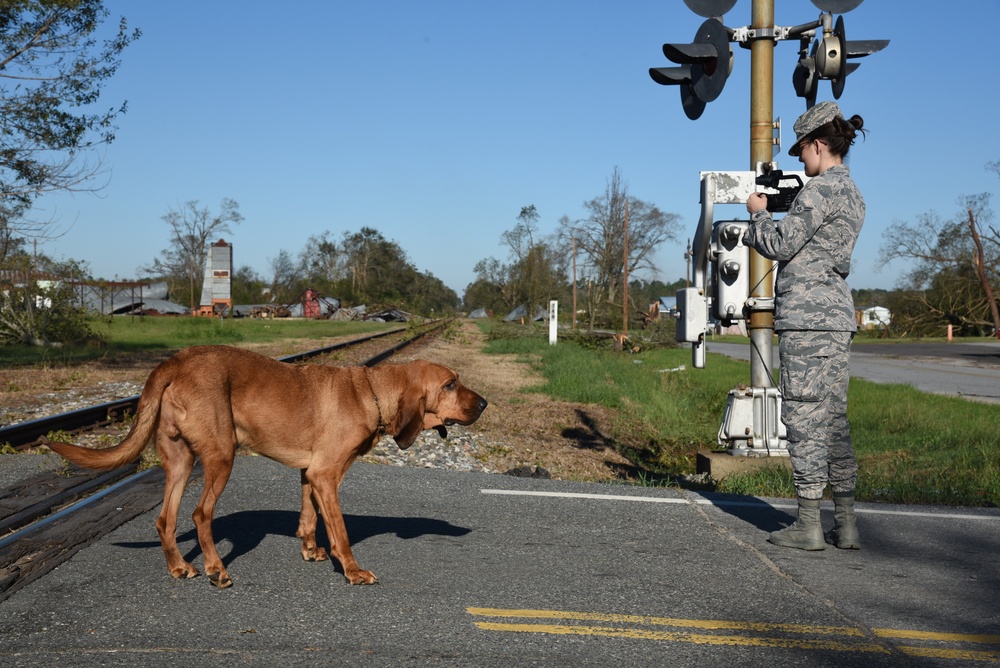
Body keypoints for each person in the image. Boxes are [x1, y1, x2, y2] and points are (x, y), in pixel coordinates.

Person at [744, 100, 867, 551]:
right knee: (834, 418)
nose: (800, 159)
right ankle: (848, 525)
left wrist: (758, 212)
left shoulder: (818, 193)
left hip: (807, 322)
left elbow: (780, 243)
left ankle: (809, 525)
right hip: (836, 319)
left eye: (802, 152)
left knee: (803, 416)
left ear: (818, 144)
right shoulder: (854, 194)